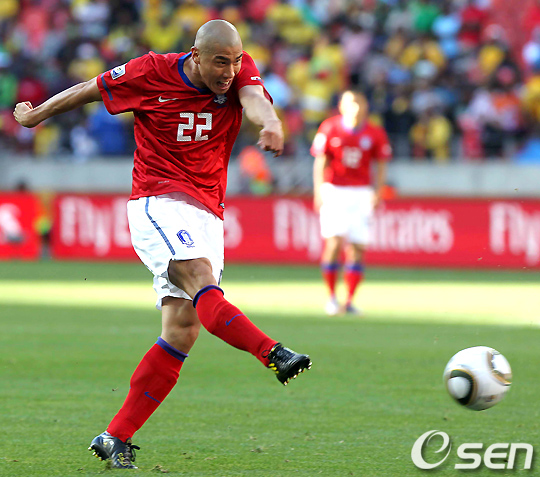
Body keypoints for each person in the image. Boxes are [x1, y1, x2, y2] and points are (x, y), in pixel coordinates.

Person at [13, 20, 311, 470]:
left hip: (207, 210)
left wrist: (271, 123)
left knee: (182, 330)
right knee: (200, 278)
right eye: (220, 62)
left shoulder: (239, 71)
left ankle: (115, 436)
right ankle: (272, 353)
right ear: (195, 55)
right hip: (158, 199)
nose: (229, 72)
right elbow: (89, 90)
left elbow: (254, 98)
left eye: (235, 61)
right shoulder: (150, 72)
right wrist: (37, 115)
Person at [311, 90, 391, 316]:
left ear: (365, 106)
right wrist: (318, 190)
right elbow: (320, 161)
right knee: (334, 243)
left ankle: (349, 301)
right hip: (334, 190)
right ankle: (331, 297)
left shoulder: (375, 132)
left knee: (357, 247)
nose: (355, 107)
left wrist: (378, 191)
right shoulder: (329, 128)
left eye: (359, 102)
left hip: (361, 193)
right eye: (351, 102)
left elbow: (381, 163)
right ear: (341, 106)